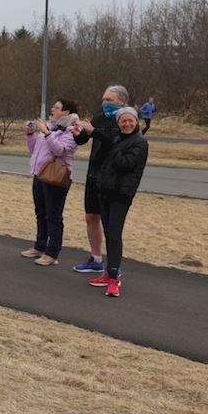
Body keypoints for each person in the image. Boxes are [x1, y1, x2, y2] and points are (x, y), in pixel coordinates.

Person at [70, 84, 129, 275]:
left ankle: (113, 266)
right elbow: (84, 139)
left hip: (111, 178)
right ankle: (96, 258)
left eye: (109, 100)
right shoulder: (98, 118)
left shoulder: (125, 121)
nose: (105, 103)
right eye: (103, 100)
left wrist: (94, 131)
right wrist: (78, 134)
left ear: (121, 101)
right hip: (93, 174)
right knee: (90, 217)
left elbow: (113, 139)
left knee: (109, 222)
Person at [90, 107, 149, 297]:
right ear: (118, 123)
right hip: (105, 192)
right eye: (123, 121)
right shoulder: (117, 138)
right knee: (108, 233)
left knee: (114, 235)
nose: (127, 124)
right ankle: (108, 272)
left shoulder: (140, 142)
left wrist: (112, 146)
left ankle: (115, 278)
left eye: (130, 120)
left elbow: (125, 164)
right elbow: (104, 163)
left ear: (136, 121)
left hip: (121, 195)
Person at [21, 99, 79, 266]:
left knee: (53, 215)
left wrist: (46, 133)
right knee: (40, 212)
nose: (52, 110)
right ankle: (40, 245)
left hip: (56, 177)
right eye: (53, 107)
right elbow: (34, 150)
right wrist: (30, 134)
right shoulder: (49, 126)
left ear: (66, 112)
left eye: (57, 108)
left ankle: (52, 252)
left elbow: (60, 150)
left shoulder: (72, 129)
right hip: (40, 174)